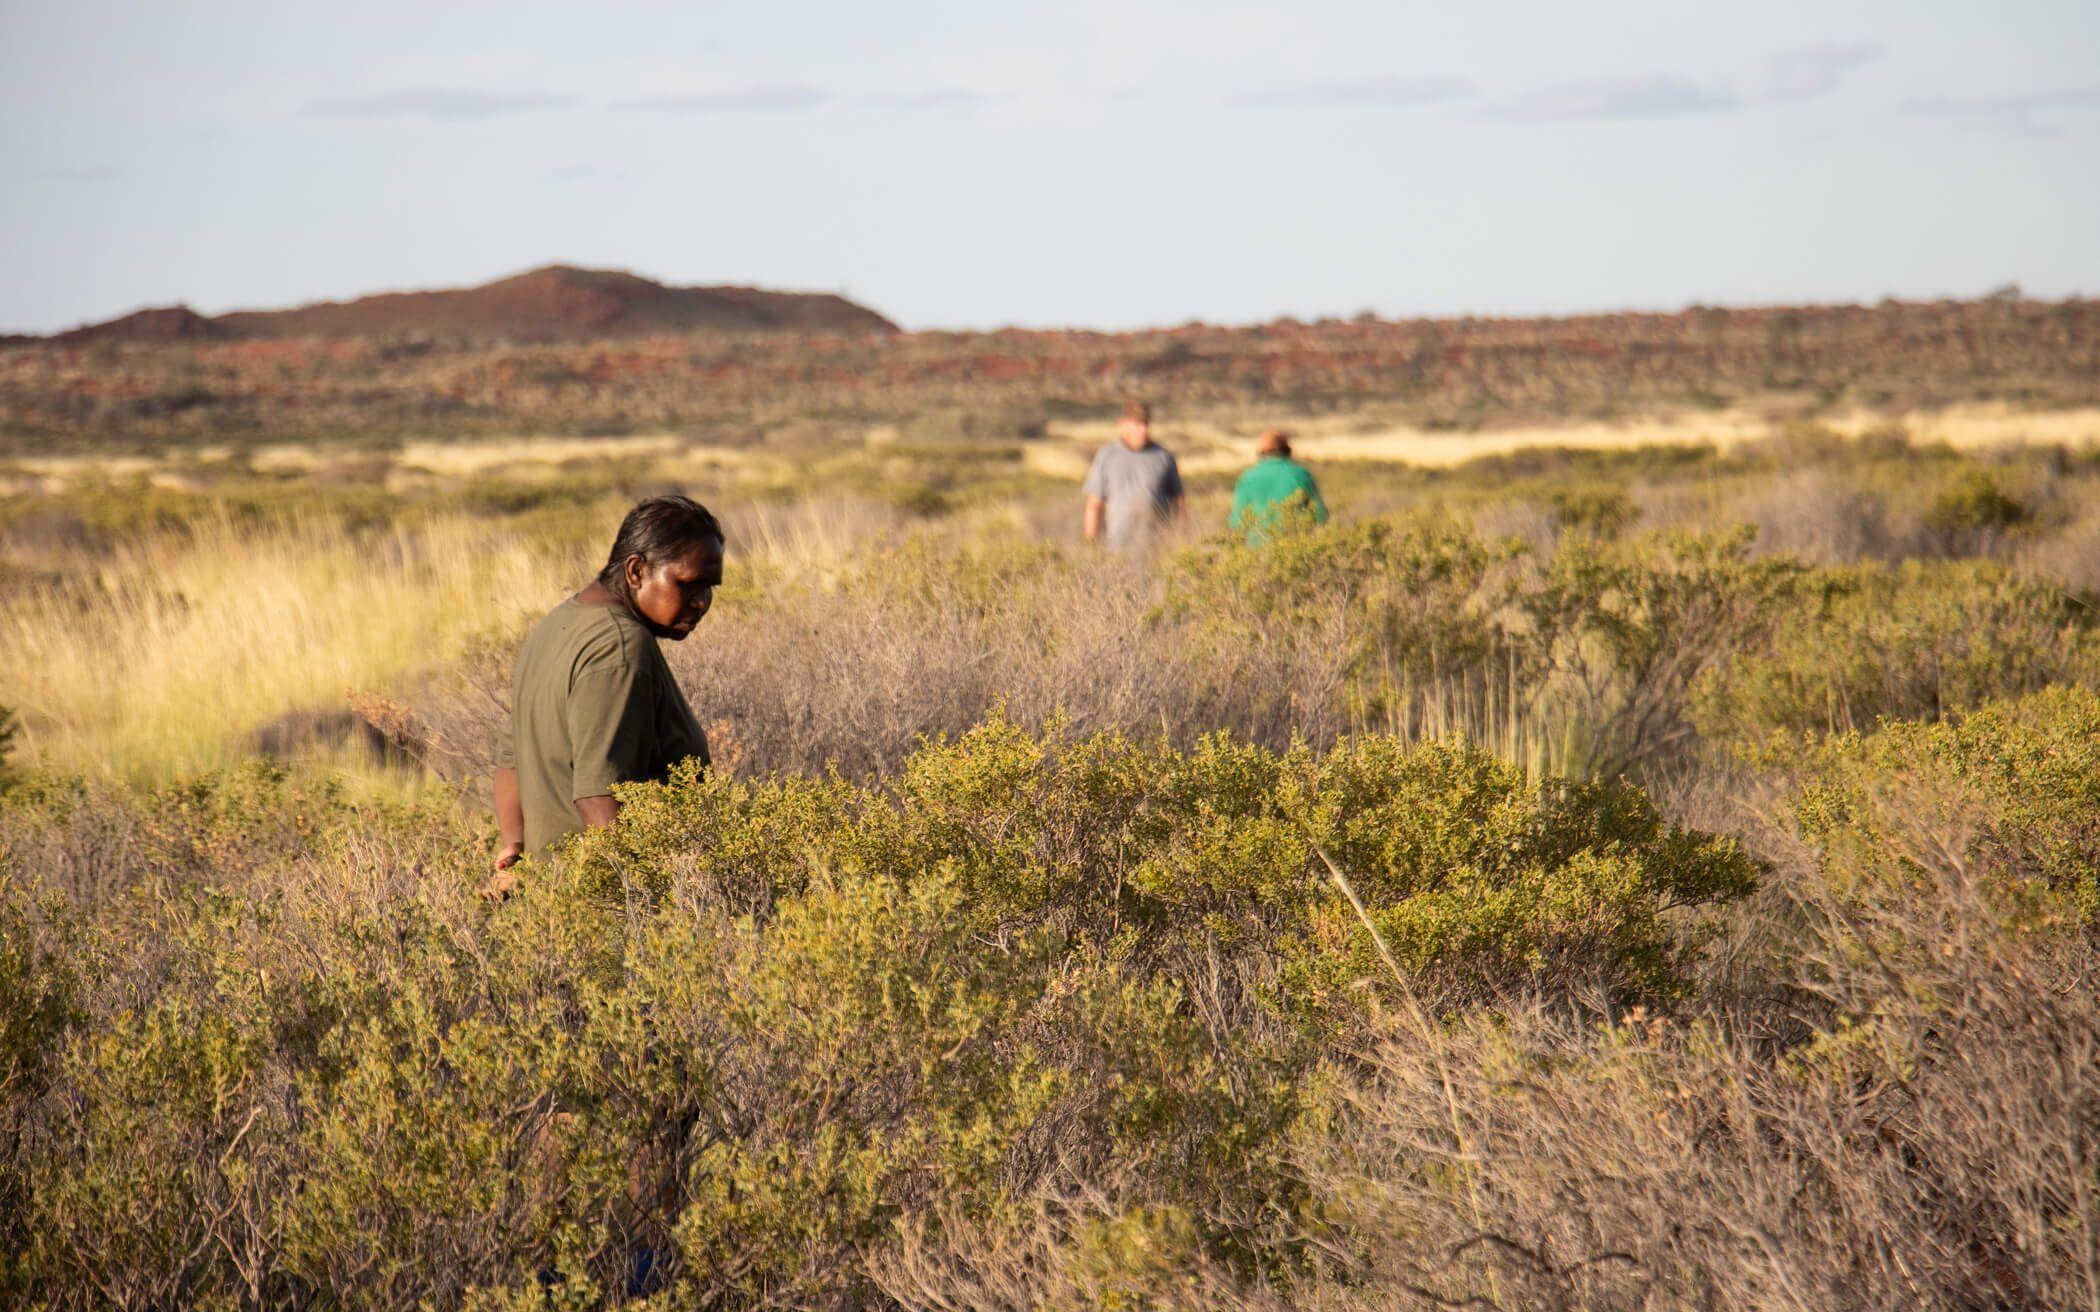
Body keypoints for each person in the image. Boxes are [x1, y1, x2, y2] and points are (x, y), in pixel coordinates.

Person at [488, 495, 723, 885]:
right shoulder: (620, 645)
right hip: (603, 907)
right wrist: (638, 902)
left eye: (710, 586)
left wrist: (515, 845)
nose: (702, 601)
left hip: (554, 901)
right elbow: (599, 796)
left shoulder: (557, 624)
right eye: (688, 584)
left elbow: (509, 762)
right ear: (635, 571)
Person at [1082, 400, 1186, 549]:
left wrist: (1180, 544)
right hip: (1118, 550)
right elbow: (1094, 505)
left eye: (1145, 424)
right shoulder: (1106, 456)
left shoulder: (1164, 457)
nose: (1142, 430)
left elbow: (1179, 503)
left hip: (1156, 550)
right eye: (1137, 424)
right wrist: (1091, 545)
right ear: (1122, 424)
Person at [1229, 428, 1327, 541]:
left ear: (1261, 453)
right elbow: (1321, 516)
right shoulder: (1301, 475)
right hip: (1295, 548)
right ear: (1288, 451)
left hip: (1256, 550)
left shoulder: (1247, 478)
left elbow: (1237, 522)